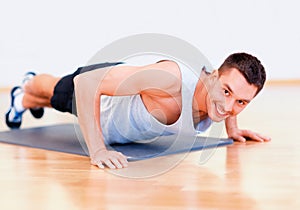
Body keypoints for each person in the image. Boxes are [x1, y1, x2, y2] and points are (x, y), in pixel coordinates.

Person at [5, 52, 271, 169]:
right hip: (102, 99)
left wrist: (233, 129)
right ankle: (28, 83)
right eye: (226, 92)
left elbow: (232, 98)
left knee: (45, 100)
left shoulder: (224, 99)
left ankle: (23, 100)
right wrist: (97, 150)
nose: (228, 107)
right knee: (56, 92)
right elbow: (86, 83)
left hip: (120, 116)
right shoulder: (171, 80)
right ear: (213, 77)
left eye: (241, 102)